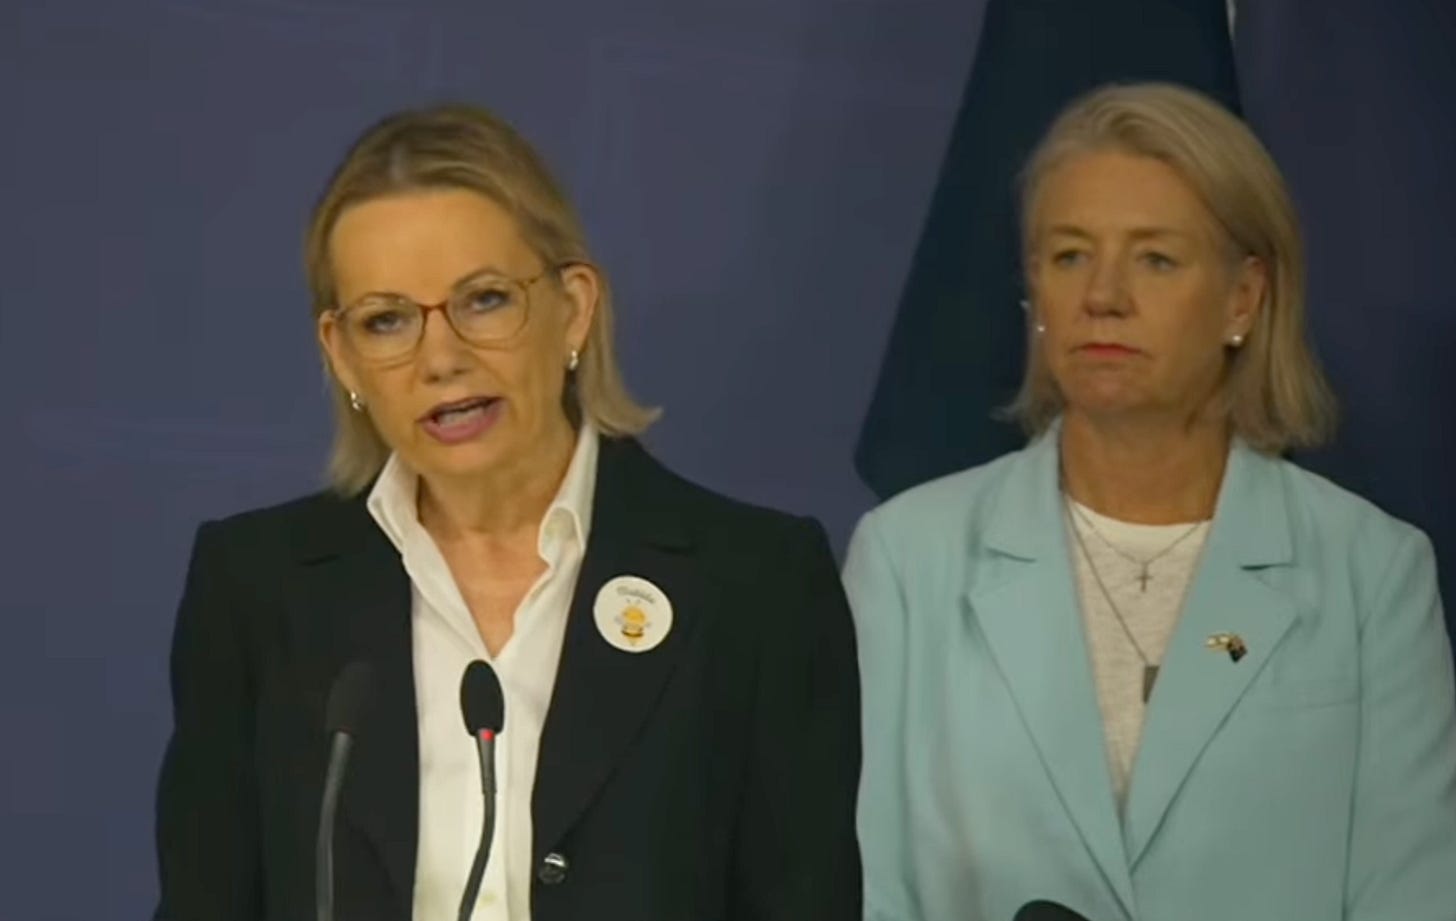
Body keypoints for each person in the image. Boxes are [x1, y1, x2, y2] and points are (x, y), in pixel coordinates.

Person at [154, 104, 861, 921]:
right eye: (387, 320)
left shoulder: (756, 585)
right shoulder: (257, 587)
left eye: (484, 300)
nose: (441, 358)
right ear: (342, 354)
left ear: (573, 308)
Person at [845, 82, 1456, 921]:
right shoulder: (908, 557)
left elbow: (1412, 893)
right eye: (1070, 256)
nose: (1103, 295)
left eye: (1155, 259)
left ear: (1243, 298)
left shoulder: (1371, 571)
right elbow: (867, 882)